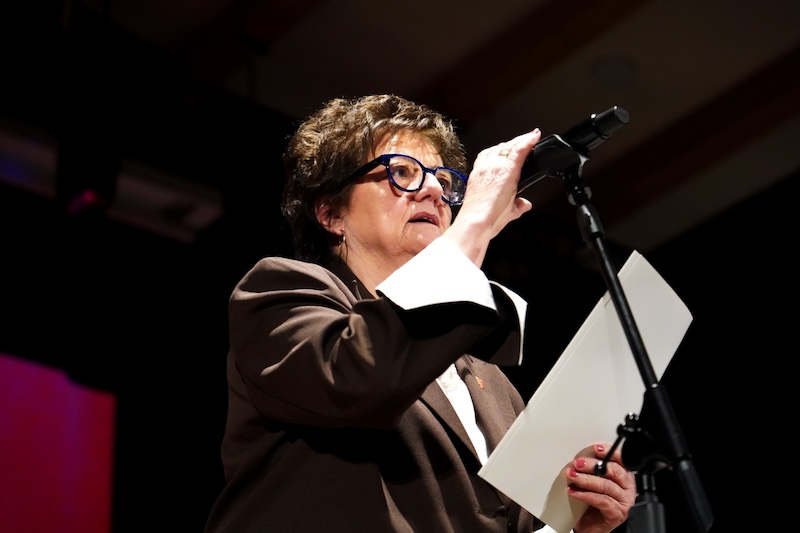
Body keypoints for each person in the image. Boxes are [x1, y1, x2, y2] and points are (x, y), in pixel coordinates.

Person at [204, 94, 636, 533]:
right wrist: (476, 221)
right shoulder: (280, 293)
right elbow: (359, 378)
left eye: (442, 179)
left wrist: (573, 524)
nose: (433, 190)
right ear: (331, 213)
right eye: (401, 173)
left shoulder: (492, 384)